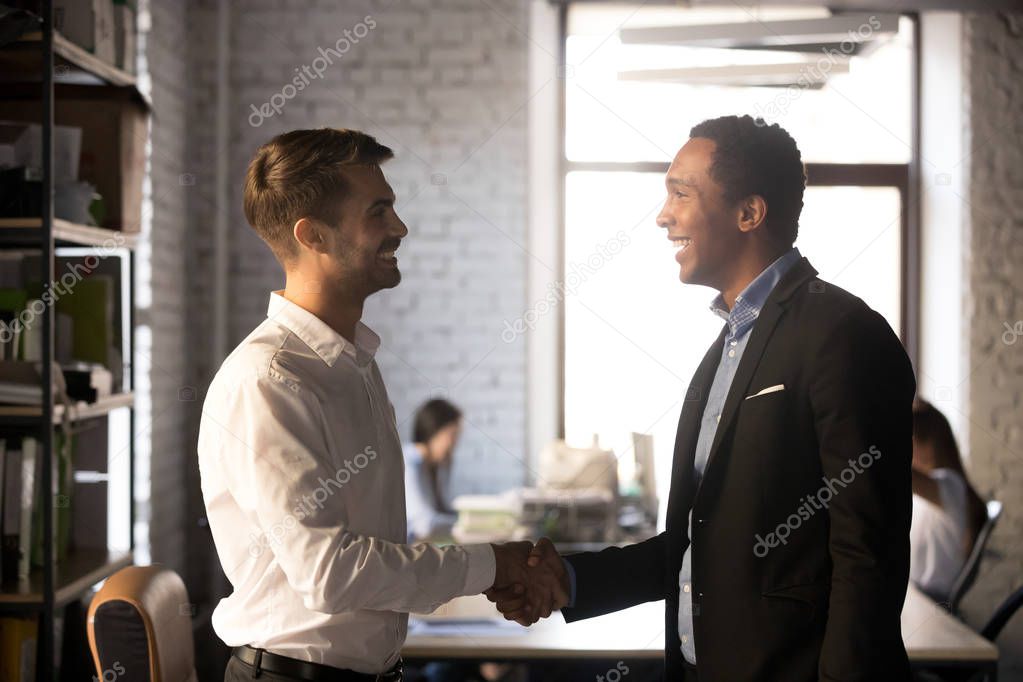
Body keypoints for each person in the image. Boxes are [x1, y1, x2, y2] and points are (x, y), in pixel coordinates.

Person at [488, 115, 916, 681]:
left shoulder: (842, 333)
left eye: (680, 194)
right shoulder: (728, 348)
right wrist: (569, 581)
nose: (664, 216)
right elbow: (698, 547)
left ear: (749, 213)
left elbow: (868, 553)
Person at [197, 128, 567, 682]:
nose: (400, 228)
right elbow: (329, 573)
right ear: (313, 235)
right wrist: (494, 565)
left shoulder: (351, 365)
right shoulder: (271, 379)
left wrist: (493, 567)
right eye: (379, 212)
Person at [910, 398, 987, 602]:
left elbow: (896, 467)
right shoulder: (935, 490)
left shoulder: (950, 485)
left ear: (926, 445)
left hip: (930, 600)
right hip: (919, 595)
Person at [404, 399, 462, 542]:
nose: (454, 444)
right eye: (452, 435)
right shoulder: (408, 462)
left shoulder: (430, 466)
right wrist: (467, 526)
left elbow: (439, 512)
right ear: (433, 431)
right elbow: (423, 526)